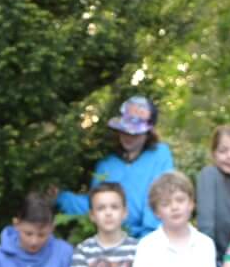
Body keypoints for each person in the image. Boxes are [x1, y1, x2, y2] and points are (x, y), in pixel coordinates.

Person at [56, 95, 176, 239]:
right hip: (112, 238)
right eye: (125, 130)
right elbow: (94, 204)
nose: (128, 136)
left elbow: (160, 198)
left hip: (150, 240)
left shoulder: (160, 155)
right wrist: (60, 197)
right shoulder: (106, 163)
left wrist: (147, 241)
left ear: (148, 132)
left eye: (135, 132)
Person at [194, 125, 230, 261]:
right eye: (223, 151)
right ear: (214, 154)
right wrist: (209, 258)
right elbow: (206, 223)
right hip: (216, 257)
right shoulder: (209, 175)